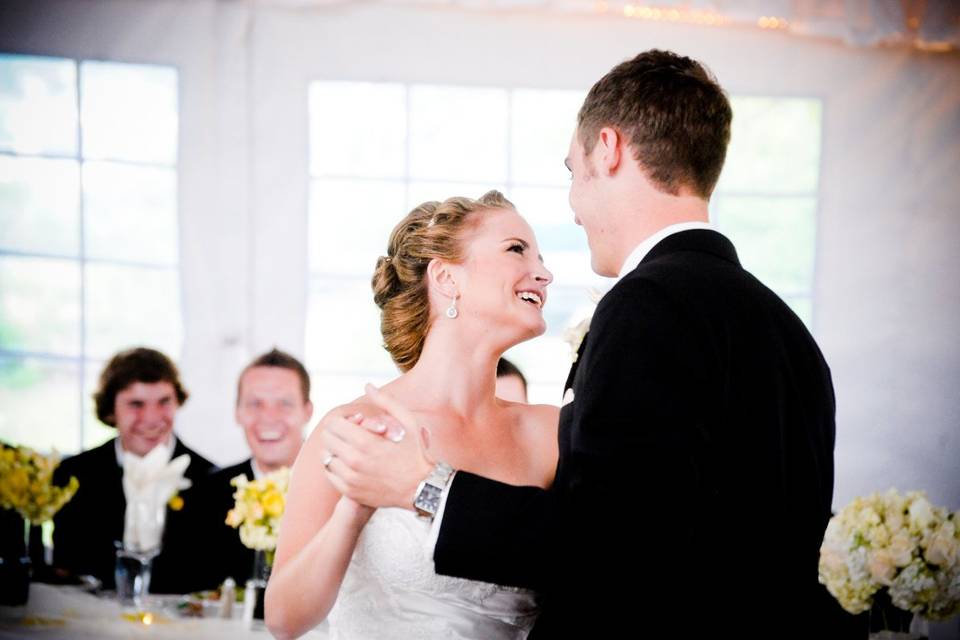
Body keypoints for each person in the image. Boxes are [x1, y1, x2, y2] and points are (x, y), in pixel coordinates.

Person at [318, 49, 842, 637]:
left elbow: (612, 544)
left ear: (609, 149)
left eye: (573, 170)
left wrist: (426, 487)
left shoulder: (648, 306)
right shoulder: (789, 331)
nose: (572, 208)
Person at [266, 191, 557, 640]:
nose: (544, 273)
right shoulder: (353, 428)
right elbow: (285, 619)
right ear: (445, 277)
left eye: (540, 256)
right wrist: (354, 509)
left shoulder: (549, 432)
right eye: (517, 249)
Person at [52, 347, 216, 589]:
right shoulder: (74, 474)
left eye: (164, 402)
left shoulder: (212, 480)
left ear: (178, 401)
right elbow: (65, 569)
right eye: (136, 404)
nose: (151, 418)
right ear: (110, 410)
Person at [156, 348, 312, 593]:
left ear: (307, 411)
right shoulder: (202, 494)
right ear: (237, 412)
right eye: (254, 404)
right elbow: (173, 586)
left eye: (284, 403)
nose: (268, 417)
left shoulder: (339, 493)